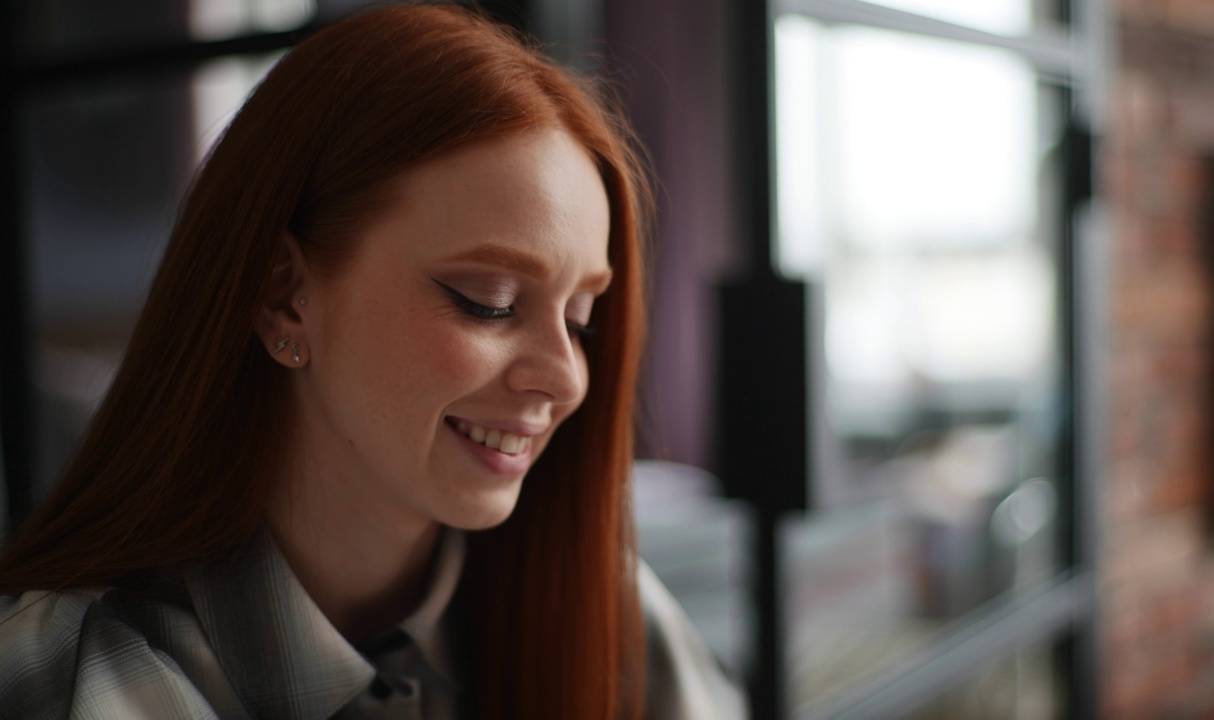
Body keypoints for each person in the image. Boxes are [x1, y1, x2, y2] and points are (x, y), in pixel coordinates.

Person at [0, 5, 744, 719]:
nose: (565, 376)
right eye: (487, 300)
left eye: (580, 320)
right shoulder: (82, 674)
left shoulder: (593, 603)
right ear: (284, 294)